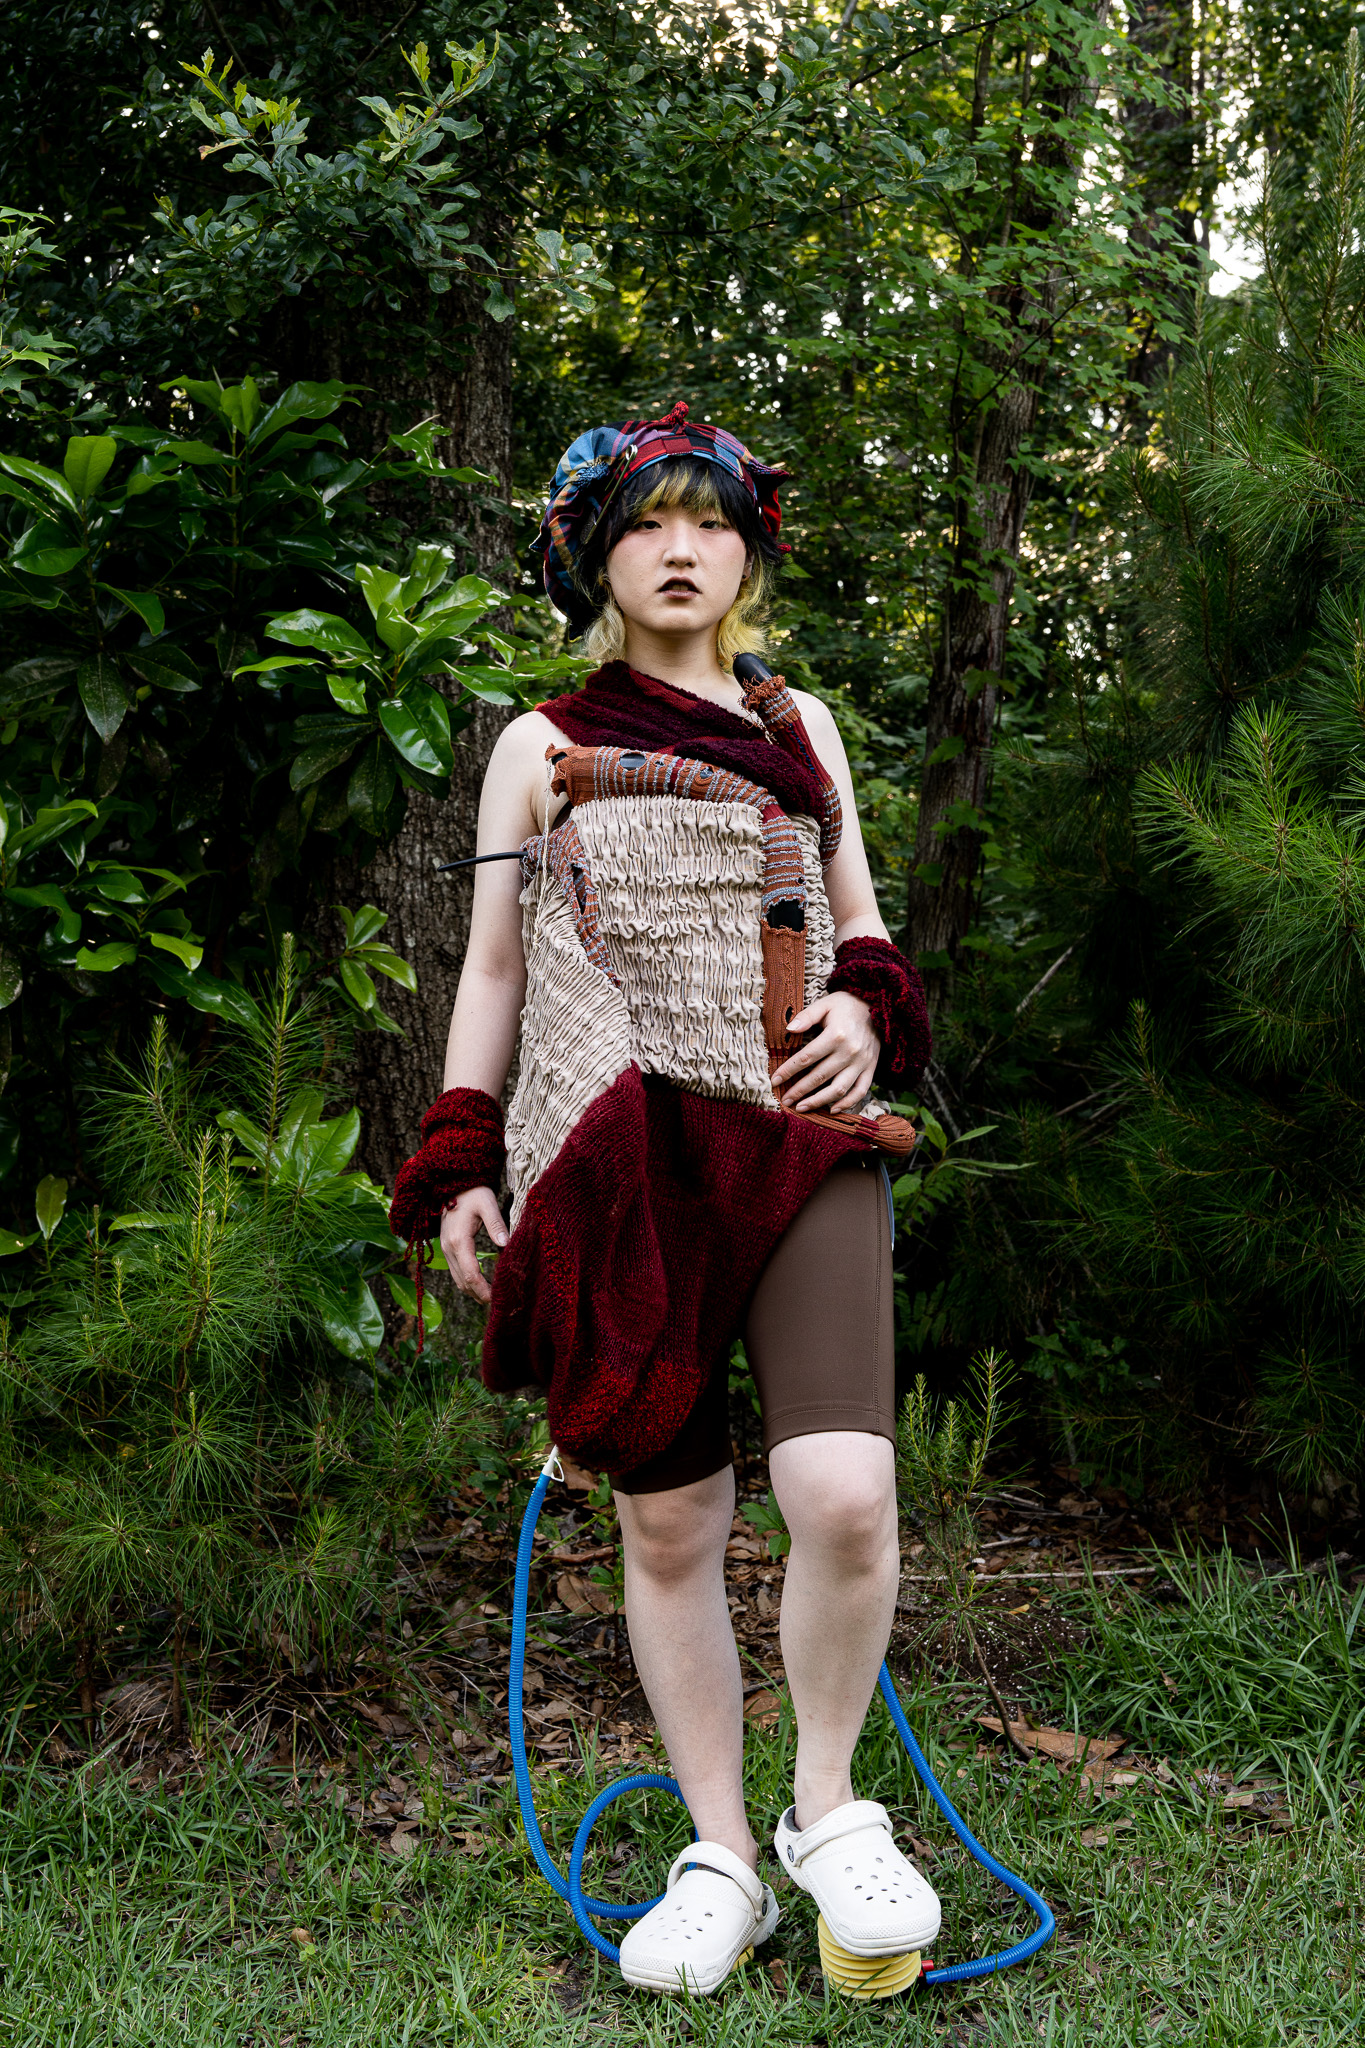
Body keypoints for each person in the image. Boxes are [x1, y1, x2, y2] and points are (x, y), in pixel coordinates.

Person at [390, 403, 939, 1997]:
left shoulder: (796, 723)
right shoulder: (541, 742)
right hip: (622, 1157)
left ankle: (827, 1811)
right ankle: (723, 1856)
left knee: (842, 1491)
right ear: (594, 555)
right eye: (646, 524)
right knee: (671, 1514)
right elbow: (495, 968)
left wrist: (866, 1013)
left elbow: (859, 919)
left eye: (710, 523)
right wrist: (461, 1153)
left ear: (748, 553)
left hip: (794, 1133)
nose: (680, 550)